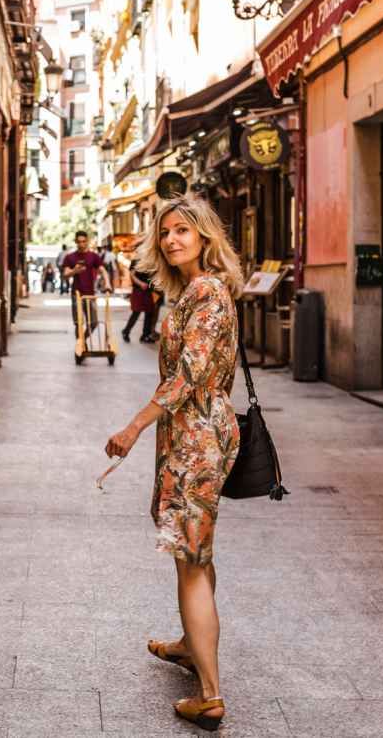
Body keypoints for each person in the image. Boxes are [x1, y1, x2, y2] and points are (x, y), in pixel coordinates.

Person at [105, 195, 245, 732]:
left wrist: (134, 426)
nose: (171, 240)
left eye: (182, 230)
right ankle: (191, 645)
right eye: (164, 233)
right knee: (192, 549)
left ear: (205, 236)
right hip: (191, 434)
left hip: (197, 436)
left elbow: (188, 375)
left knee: (189, 556)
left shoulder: (207, 292)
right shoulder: (195, 290)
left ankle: (210, 694)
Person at [61, 230, 105, 335]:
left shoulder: (93, 256)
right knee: (78, 323)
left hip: (90, 294)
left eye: (83, 241)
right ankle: (80, 346)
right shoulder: (70, 257)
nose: (81, 244)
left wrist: (107, 283)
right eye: (79, 241)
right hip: (76, 294)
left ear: (87, 241)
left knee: (94, 322)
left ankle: (83, 340)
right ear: (76, 241)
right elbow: (65, 274)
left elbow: (103, 271)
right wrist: (75, 271)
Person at [123, 266, 159, 343]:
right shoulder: (137, 259)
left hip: (148, 291)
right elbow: (132, 275)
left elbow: (152, 275)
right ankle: (126, 331)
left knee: (149, 313)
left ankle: (145, 335)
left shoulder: (151, 259)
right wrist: (140, 283)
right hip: (138, 290)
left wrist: (151, 286)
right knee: (136, 312)